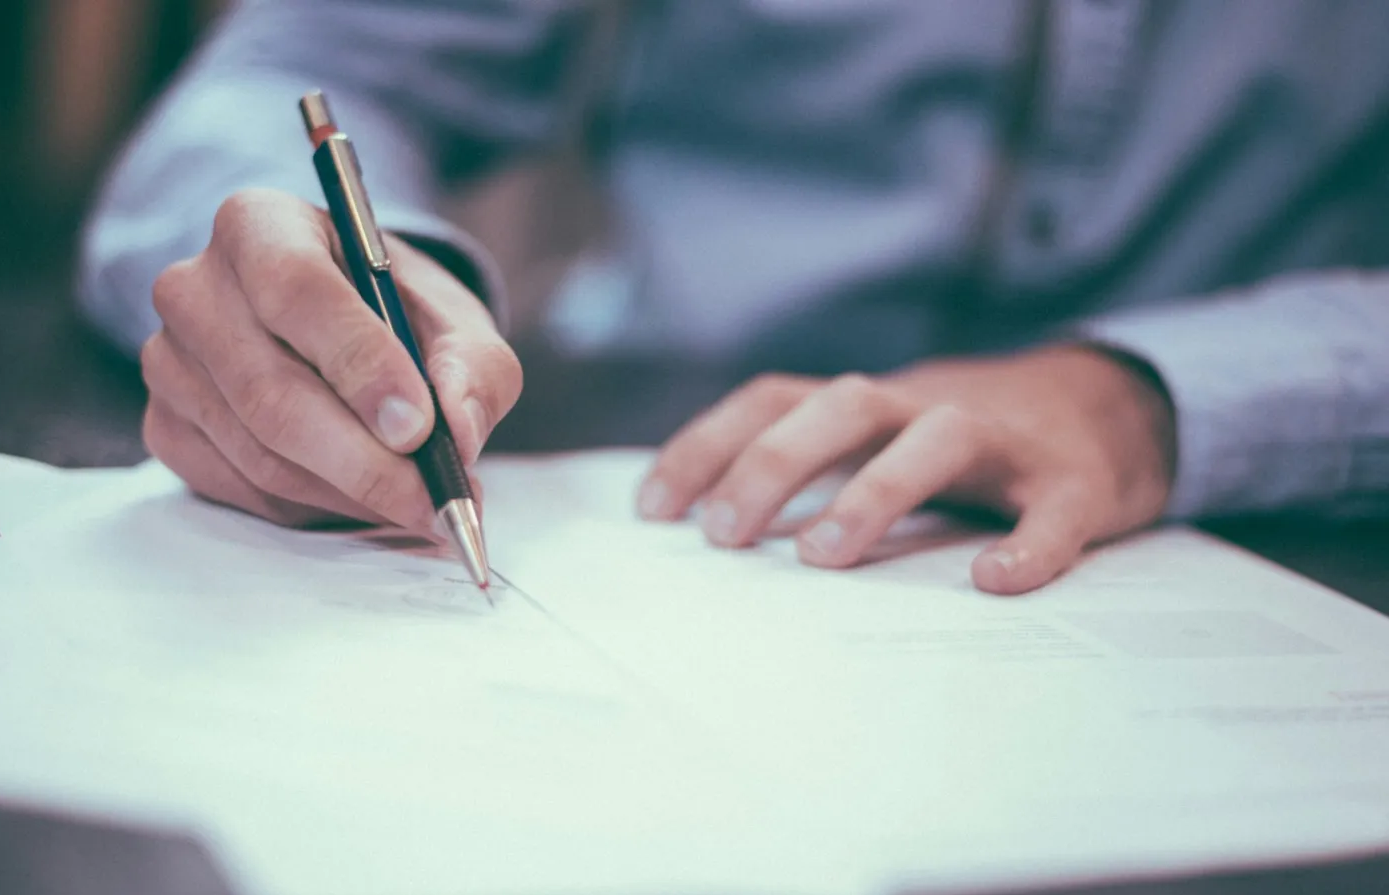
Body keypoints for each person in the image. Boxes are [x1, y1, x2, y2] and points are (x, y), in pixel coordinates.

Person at [78, 1, 1389, 595]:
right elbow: (302, 66)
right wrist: (313, 292)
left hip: (1267, 525)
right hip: (664, 470)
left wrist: (1150, 399)